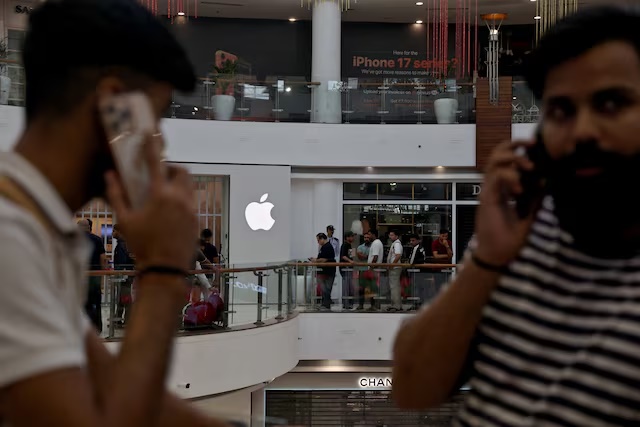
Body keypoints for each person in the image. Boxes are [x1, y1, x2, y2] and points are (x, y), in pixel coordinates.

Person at [393, 6, 640, 425]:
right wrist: (487, 259)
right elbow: (412, 387)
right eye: (561, 111)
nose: (582, 130)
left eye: (611, 103)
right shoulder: (523, 232)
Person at [0, 1, 228, 426]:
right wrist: (162, 269)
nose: (158, 146)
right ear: (112, 107)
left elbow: (112, 387)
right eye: (155, 121)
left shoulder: (35, 227)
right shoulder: (8, 235)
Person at [78, 218, 107, 332]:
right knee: (96, 302)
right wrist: (103, 275)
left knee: (81, 304)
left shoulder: (75, 240)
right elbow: (103, 259)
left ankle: (83, 330)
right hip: (95, 278)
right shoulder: (97, 240)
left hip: (80, 278)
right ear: (89, 228)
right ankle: (98, 328)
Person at [310, 233, 336, 311]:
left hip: (327, 272)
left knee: (326, 289)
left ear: (322, 239)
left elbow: (324, 259)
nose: (318, 242)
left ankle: (326, 304)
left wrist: (316, 260)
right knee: (324, 289)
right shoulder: (324, 247)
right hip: (324, 271)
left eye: (318, 240)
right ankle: (324, 303)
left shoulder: (327, 247)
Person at [386, 230, 403, 312]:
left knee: (394, 287)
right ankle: (396, 304)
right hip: (394, 267)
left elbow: (398, 255)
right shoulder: (395, 244)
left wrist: (392, 265)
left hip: (395, 268)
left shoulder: (397, 244)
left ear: (396, 236)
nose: (390, 237)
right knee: (394, 286)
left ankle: (396, 305)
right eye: (390, 235)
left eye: (392, 235)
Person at [339, 231, 355, 310]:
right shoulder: (345, 245)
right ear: (347, 237)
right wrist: (350, 261)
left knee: (349, 286)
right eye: (352, 236)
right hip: (345, 268)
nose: (353, 238)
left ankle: (349, 302)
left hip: (349, 268)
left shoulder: (350, 245)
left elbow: (351, 255)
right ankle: (346, 303)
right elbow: (343, 256)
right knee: (346, 286)